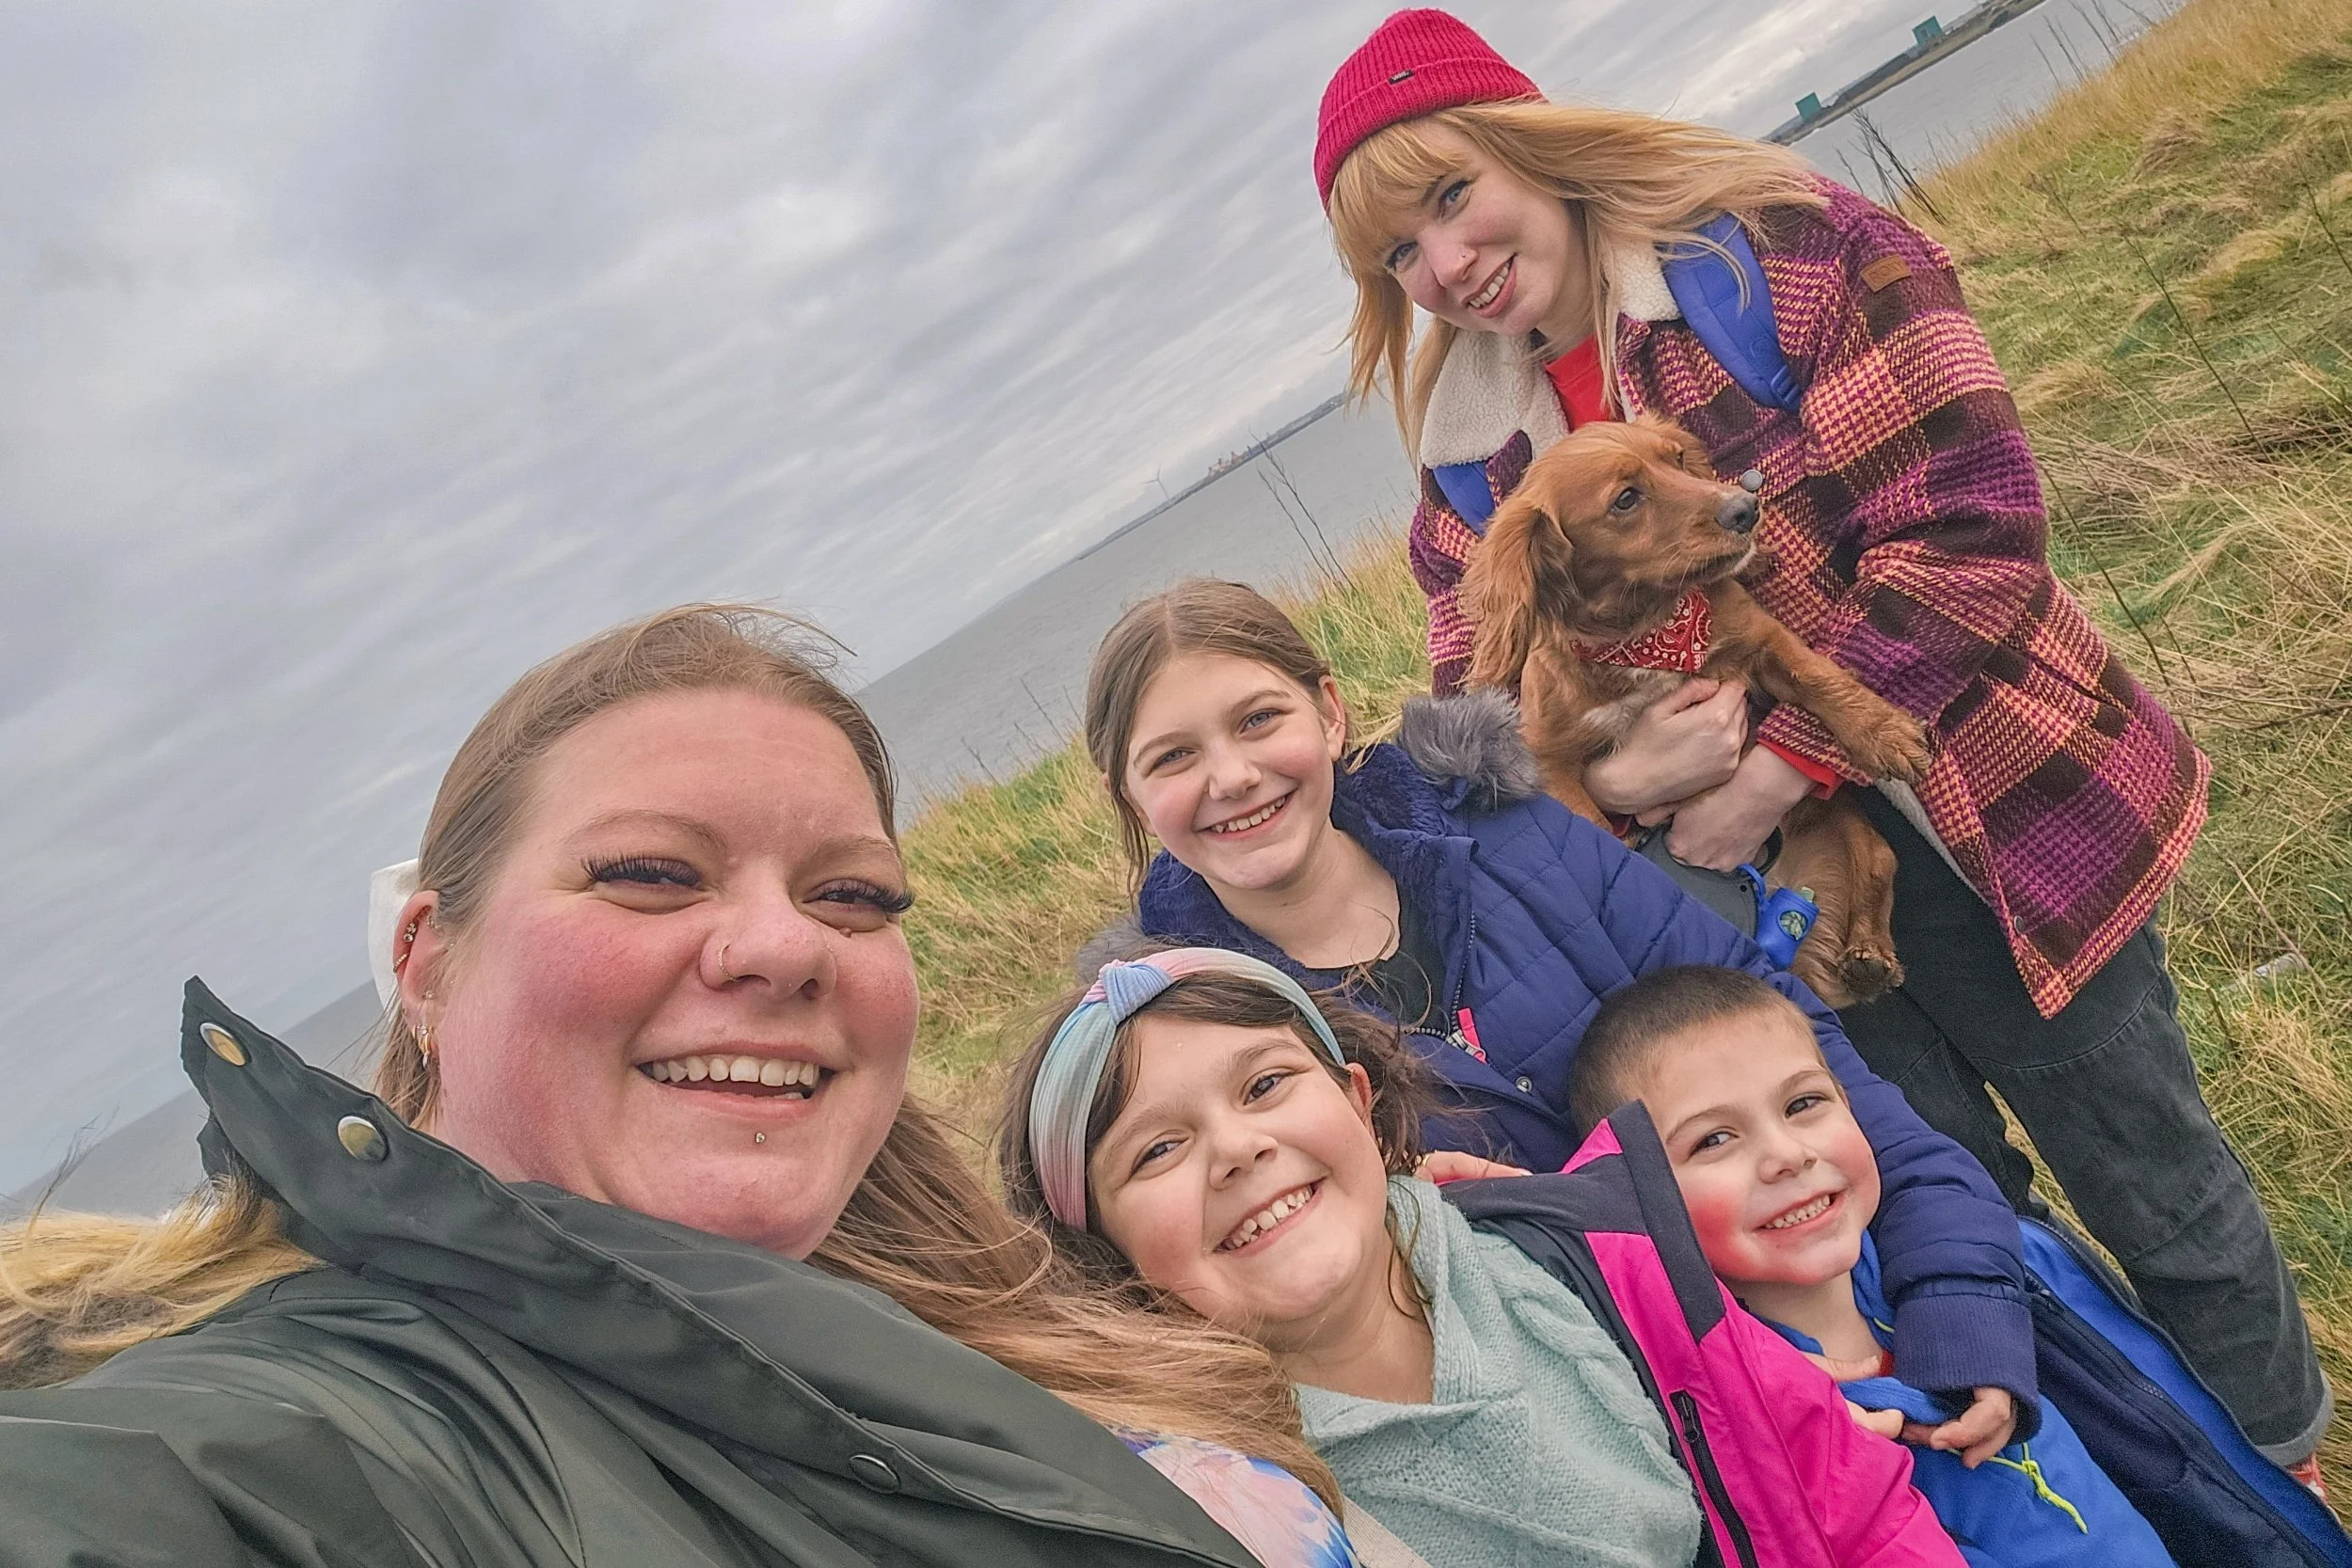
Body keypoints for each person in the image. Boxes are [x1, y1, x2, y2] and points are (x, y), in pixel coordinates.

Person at [1310, 8, 2328, 1473]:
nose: (1445, 263)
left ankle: (2287, 1474)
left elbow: (1970, 521)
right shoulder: (1472, 467)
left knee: (2152, 1175)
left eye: (1452, 195)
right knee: (1946, 1210)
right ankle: (2119, 1491)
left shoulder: (1780, 257)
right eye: (1399, 254)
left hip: (2000, 814)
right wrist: (1615, 781)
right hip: (1764, 915)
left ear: (1533, 144)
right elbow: (1466, 723)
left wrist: (1780, 765)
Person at [0, 605, 1354, 1568]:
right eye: (649, 873)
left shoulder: (966, 1287)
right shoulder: (335, 1421)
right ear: (428, 959)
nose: (784, 944)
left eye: (853, 893)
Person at [1087, 577, 2034, 1463]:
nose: (1233, 775)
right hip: (1634, 1443)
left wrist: (1959, 1296)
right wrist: (1743, 1388)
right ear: (1129, 797)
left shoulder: (1515, 831)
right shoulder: (1191, 1039)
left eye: (1259, 719)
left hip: (1847, 1301)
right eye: (1173, 757)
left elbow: (1793, 1043)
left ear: (1328, 711)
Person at [999, 945, 1970, 1567]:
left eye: (1264, 1084)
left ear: (1357, 1101)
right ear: (1105, 1255)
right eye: (1157, 1150)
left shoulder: (1594, 1248)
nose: (1237, 1147)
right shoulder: (1210, 1507)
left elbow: (1851, 1502)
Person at [1568, 965, 2178, 1566]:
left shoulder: (1966, 1281)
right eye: (1714, 1140)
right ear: (1642, 1198)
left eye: (1804, 1102)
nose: (1787, 1154)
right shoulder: (1747, 1426)